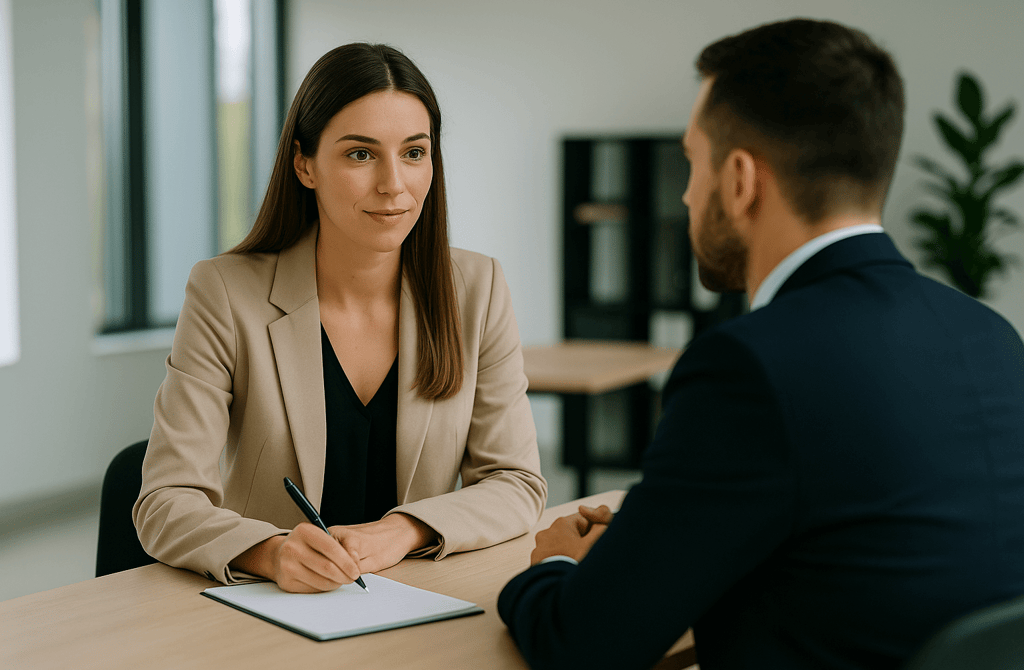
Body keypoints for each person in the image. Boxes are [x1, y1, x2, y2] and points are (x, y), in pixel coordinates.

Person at [498, 18, 1024, 670]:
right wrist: (656, 545)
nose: (688, 195)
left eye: (692, 164)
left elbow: (579, 646)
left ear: (741, 179)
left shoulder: (749, 364)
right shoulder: (989, 334)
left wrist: (553, 562)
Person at [134, 43, 546, 592]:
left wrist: (402, 531)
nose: (393, 184)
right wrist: (270, 553)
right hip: (273, 607)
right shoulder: (226, 293)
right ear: (305, 164)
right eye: (361, 154)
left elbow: (516, 482)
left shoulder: (478, 289)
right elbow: (165, 499)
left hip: (417, 600)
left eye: (414, 153)